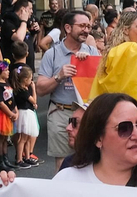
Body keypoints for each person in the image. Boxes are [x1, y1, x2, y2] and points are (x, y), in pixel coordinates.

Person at [35, 9, 100, 163]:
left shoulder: (92, 52)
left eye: (89, 27)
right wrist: (59, 76)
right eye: (82, 26)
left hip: (86, 114)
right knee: (63, 162)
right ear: (68, 28)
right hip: (61, 112)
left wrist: (89, 63)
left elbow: (102, 83)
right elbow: (40, 89)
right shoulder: (53, 54)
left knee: (89, 160)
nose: (86, 30)